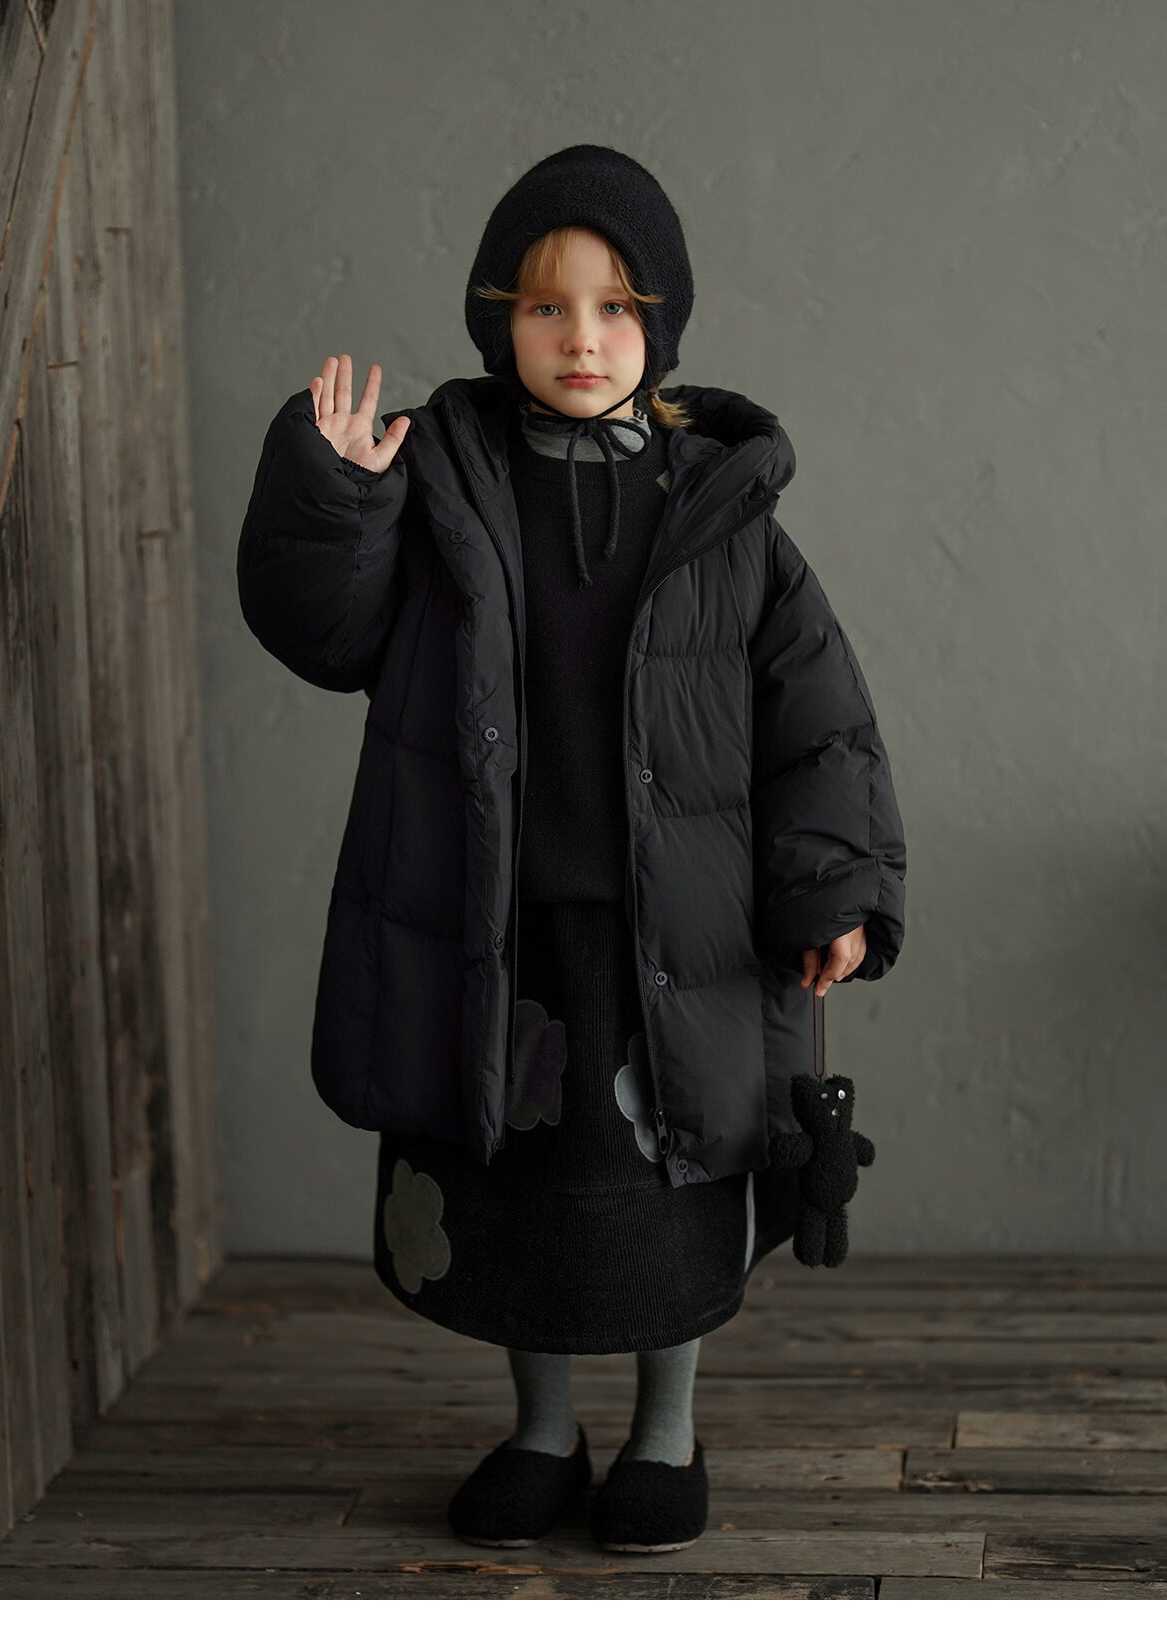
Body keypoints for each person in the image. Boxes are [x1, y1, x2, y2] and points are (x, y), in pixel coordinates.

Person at [236, 144, 906, 1555]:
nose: (582, 338)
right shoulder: (442, 482)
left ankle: (667, 1431)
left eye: (614, 308)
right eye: (547, 307)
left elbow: (822, 720)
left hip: (682, 935)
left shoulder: (722, 508)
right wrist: (339, 495)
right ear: (501, 322)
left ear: (661, 325)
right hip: (498, 923)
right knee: (515, 1198)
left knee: (670, 1187)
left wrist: (836, 887)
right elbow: (327, 631)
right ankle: (543, 1430)